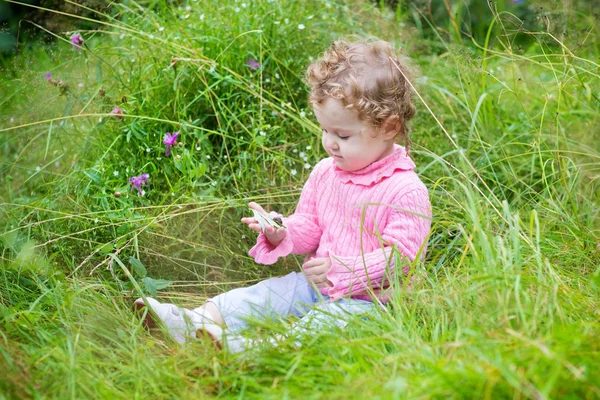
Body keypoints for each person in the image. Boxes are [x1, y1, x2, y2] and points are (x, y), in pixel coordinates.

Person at [134, 39, 432, 353]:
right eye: (325, 130)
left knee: (324, 325)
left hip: (371, 305)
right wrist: (282, 231)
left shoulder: (405, 190)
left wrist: (343, 270)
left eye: (342, 135)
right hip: (315, 285)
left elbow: (402, 259)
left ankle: (254, 351)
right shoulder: (326, 172)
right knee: (267, 295)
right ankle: (194, 321)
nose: (330, 143)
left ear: (388, 127)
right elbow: (311, 225)